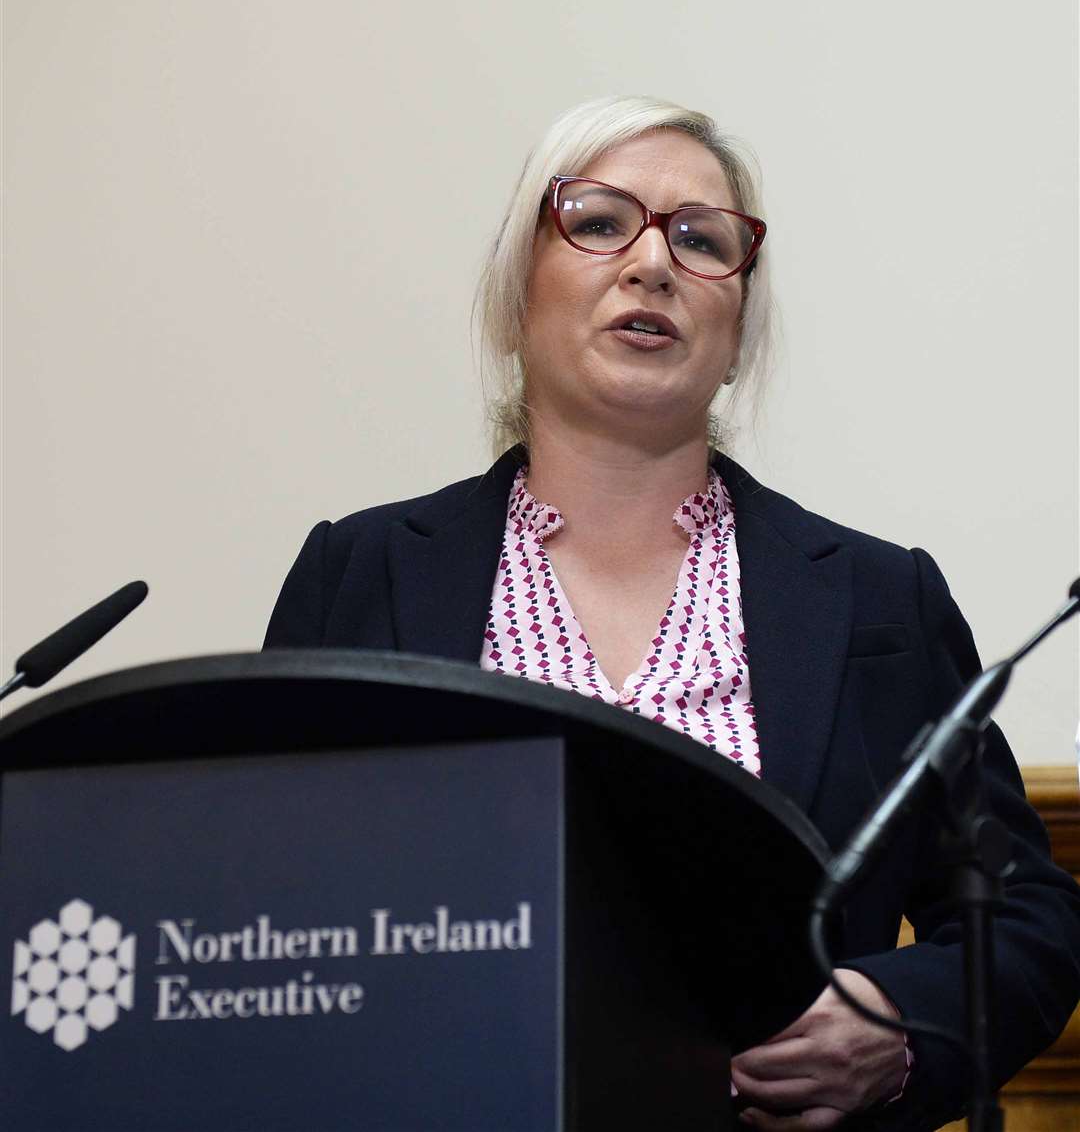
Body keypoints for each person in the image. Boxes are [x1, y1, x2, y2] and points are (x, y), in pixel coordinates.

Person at [264, 94, 1080, 1130]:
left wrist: (897, 1027)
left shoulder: (881, 602)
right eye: (600, 222)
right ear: (519, 296)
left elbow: (1032, 919)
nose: (653, 263)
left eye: (703, 241)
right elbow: (274, 909)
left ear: (737, 331)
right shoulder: (361, 572)